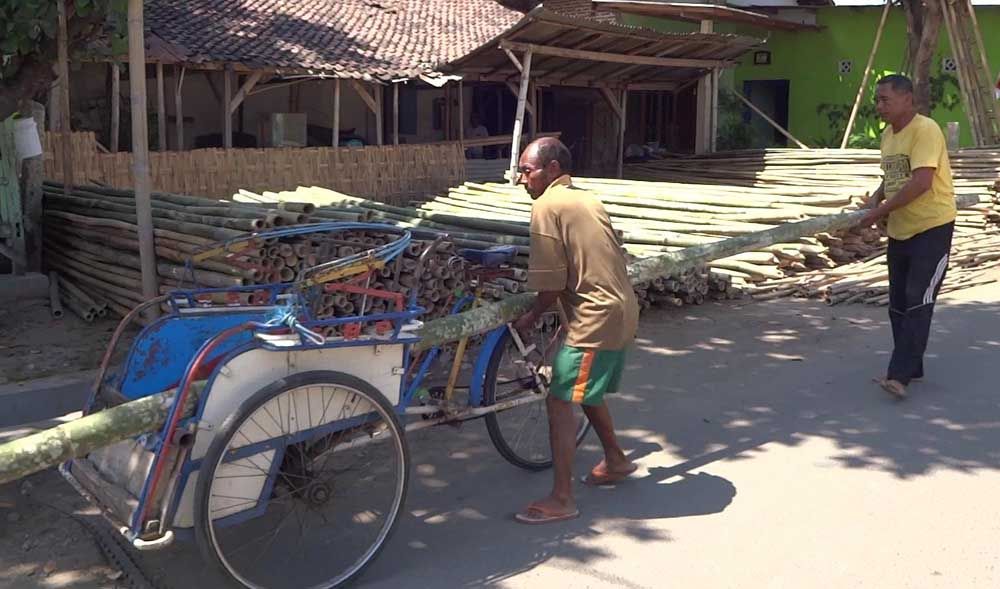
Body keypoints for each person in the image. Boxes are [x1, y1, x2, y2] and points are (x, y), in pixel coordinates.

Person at [512, 137, 639, 524]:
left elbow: (550, 286)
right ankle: (615, 460)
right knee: (583, 387)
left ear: (552, 170)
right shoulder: (588, 199)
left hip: (595, 316)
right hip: (622, 307)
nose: (521, 180)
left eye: (527, 171)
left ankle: (562, 497)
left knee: (559, 398)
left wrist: (530, 316)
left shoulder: (547, 205)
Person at [856, 74, 956, 399]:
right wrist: (876, 197)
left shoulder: (925, 130)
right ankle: (912, 365)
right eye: (877, 99)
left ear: (907, 99)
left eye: (885, 99)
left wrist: (881, 211)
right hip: (901, 230)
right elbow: (893, 175)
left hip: (932, 227)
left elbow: (921, 181)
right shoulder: (888, 134)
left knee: (918, 299)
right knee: (897, 304)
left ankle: (899, 376)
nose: (879, 106)